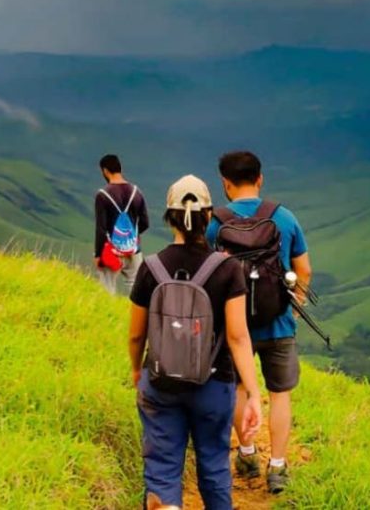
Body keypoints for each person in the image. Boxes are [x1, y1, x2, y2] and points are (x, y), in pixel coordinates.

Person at [129, 174, 263, 509]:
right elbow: (237, 336)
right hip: (213, 385)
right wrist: (253, 393)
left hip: (159, 382)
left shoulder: (151, 268)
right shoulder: (227, 268)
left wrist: (136, 370)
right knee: (214, 467)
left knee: (161, 471)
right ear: (208, 217)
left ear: (169, 216)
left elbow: (135, 333)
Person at [207, 151, 311, 494]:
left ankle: (247, 454)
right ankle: (278, 467)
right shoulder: (284, 218)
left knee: (238, 388)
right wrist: (292, 309)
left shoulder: (215, 223)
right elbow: (304, 271)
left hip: (234, 328)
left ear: (225, 183)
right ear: (260, 178)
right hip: (279, 323)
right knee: (279, 395)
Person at [95, 154, 149, 294]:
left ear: (105, 171)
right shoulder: (137, 192)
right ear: (120, 168)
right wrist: (130, 236)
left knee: (107, 290)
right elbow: (145, 223)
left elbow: (101, 228)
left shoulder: (102, 195)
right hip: (134, 250)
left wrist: (97, 254)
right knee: (136, 292)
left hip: (111, 251)